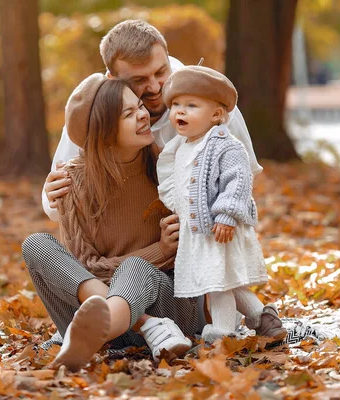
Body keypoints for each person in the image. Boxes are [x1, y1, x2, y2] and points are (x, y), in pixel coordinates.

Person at [22, 74, 198, 372]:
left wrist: (169, 249)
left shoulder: (167, 167)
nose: (144, 115)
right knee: (36, 244)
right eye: (129, 113)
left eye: (140, 106)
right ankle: (136, 327)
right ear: (103, 131)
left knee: (135, 268)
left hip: (170, 315)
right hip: (117, 321)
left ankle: (100, 333)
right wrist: (158, 249)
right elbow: (84, 268)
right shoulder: (72, 183)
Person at [42, 20, 261, 222]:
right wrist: (54, 197)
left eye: (160, 72)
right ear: (113, 80)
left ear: (167, 57)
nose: (155, 87)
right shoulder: (92, 111)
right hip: (125, 238)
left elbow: (244, 176)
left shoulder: (209, 98)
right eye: (139, 80)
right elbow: (54, 205)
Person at [156, 66, 287, 342]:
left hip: (220, 228)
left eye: (191, 105)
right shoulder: (181, 146)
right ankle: (263, 319)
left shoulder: (224, 145)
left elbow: (238, 180)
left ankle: (223, 335)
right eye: (176, 104)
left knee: (217, 284)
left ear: (216, 114)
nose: (180, 111)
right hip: (199, 231)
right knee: (226, 280)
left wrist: (226, 214)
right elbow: (173, 178)